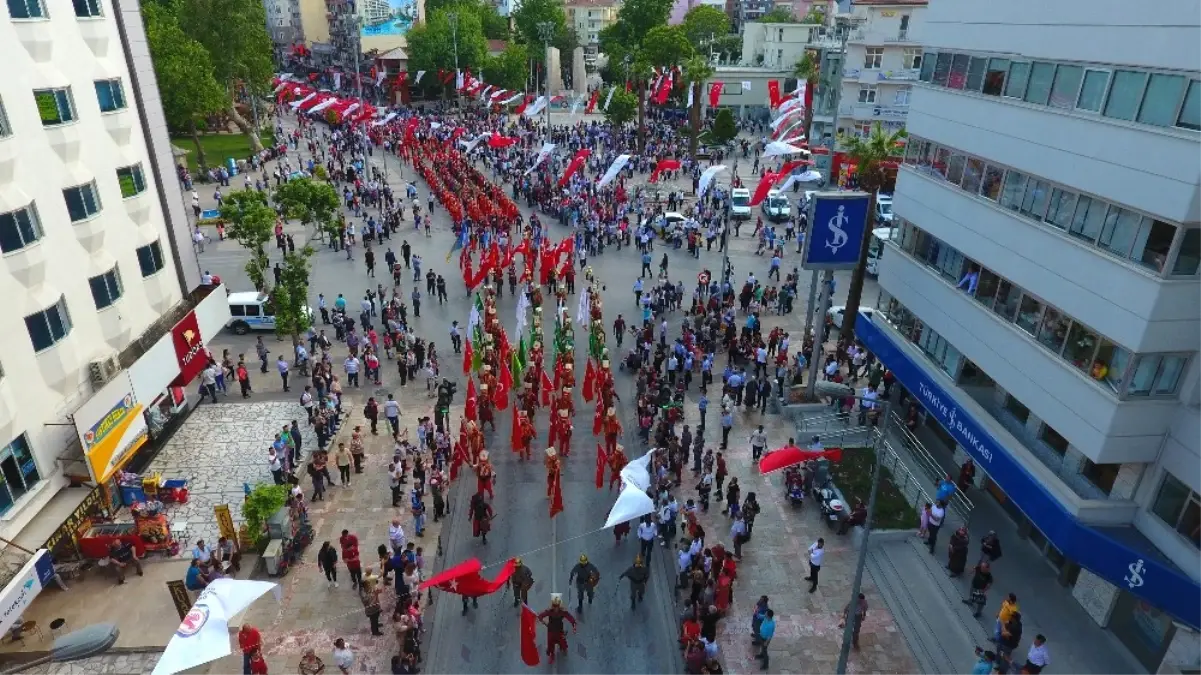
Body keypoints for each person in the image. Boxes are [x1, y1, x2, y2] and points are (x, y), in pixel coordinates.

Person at [537, 594, 578, 664]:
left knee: (562, 641)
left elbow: (570, 618)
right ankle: (552, 655)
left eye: (557, 606)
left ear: (559, 606)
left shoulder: (563, 612)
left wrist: (573, 623)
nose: (556, 608)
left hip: (559, 630)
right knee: (550, 644)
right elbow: (540, 616)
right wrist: (544, 622)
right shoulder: (549, 611)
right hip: (551, 631)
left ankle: (564, 648)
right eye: (554, 606)